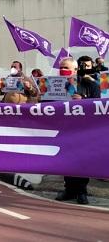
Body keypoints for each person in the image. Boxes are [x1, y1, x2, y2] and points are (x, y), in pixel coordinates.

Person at [55, 57, 101, 205]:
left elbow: (98, 104)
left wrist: (83, 100)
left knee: (82, 160)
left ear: (75, 70)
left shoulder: (90, 84)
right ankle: (69, 189)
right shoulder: (54, 84)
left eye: (66, 67)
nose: (62, 69)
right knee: (66, 159)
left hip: (84, 129)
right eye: (61, 67)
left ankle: (81, 191)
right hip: (64, 128)